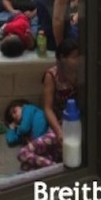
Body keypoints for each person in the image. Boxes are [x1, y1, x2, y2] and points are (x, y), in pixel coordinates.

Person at [15, 39, 79, 170]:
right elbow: (48, 108)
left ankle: (56, 165)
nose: (79, 60)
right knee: (24, 155)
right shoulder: (52, 75)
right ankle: (56, 169)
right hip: (61, 124)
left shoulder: (82, 73)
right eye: (74, 57)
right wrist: (59, 132)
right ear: (62, 58)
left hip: (79, 122)